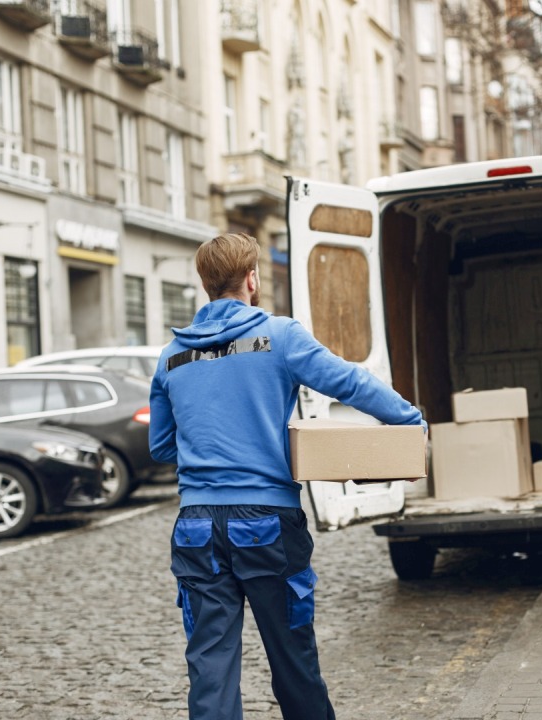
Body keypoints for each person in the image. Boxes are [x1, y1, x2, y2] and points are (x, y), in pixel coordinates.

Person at [149, 232, 424, 720]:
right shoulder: (279, 335)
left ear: (205, 284)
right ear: (251, 279)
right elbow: (350, 381)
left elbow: (162, 446)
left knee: (210, 667)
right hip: (266, 526)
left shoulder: (172, 356)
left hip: (196, 528)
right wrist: (407, 421)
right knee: (293, 661)